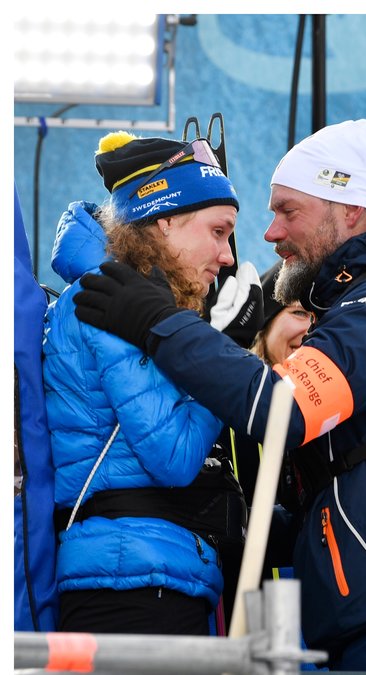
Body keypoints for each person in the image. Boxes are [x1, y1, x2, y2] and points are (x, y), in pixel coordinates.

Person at [75, 119, 366, 672]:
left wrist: (159, 322)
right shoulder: (361, 304)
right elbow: (351, 492)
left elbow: (284, 409)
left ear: (349, 210)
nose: (270, 234)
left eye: (288, 211)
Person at [42, 131, 244, 635]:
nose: (228, 257)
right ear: (165, 220)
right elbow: (173, 456)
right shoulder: (109, 301)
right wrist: (229, 357)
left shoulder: (133, 300)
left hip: (150, 569)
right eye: (218, 231)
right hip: (128, 584)